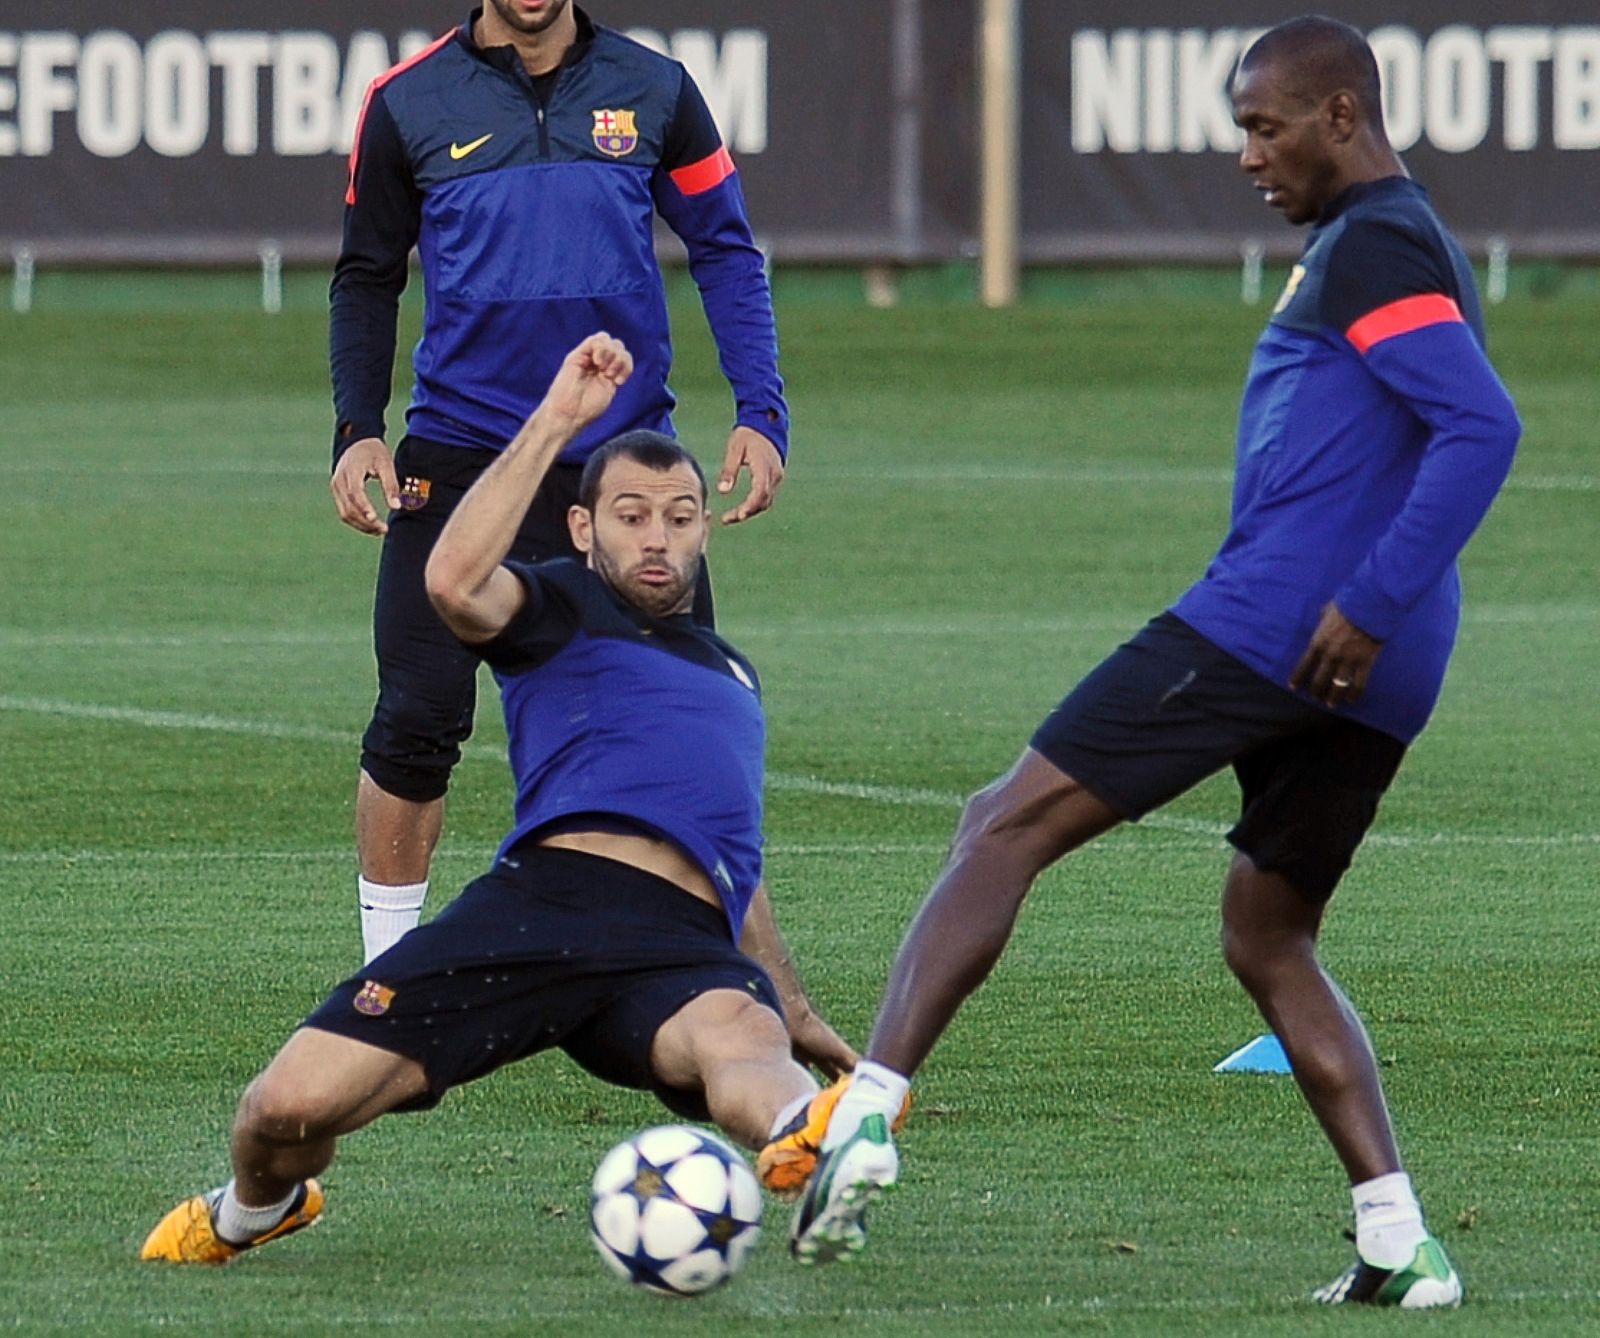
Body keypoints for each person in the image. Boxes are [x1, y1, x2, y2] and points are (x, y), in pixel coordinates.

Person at [791, 17, 1521, 1309]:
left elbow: (1482, 423)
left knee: (1002, 821)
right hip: (1385, 659)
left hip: (1285, 625)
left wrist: (1361, 599)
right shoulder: (1381, 245)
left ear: (1342, 113)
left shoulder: (1383, 241)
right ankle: (1401, 1238)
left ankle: (864, 1113)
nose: (1248, 154)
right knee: (1268, 932)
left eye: (1265, 125)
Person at [141, 334, 847, 1265]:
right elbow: (451, 580)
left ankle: (823, 1132)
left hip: (674, 940)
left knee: (744, 1043)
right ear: (585, 530)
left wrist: (791, 1003)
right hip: (536, 910)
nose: (658, 538)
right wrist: (557, 416)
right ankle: (251, 1211)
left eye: (680, 518)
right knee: (283, 1110)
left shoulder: (733, 676)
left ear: (704, 533)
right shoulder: (562, 605)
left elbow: (732, 856)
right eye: (631, 516)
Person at [328, 1, 789, 964]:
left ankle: (696, 967)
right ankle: (386, 976)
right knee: (415, 719)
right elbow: (367, 274)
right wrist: (357, 430)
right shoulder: (405, 102)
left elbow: (726, 248)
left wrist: (759, 408)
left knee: (676, 722)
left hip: (626, 469)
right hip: (459, 462)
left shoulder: (658, 89)